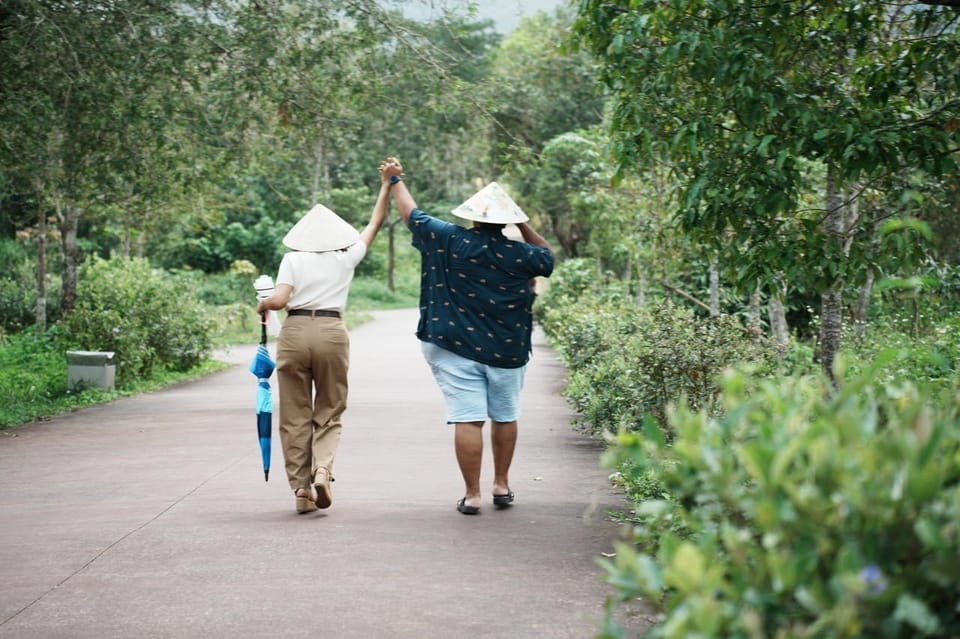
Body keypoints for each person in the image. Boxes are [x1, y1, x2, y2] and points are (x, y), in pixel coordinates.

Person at [380, 157, 554, 515]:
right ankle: (501, 485)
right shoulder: (522, 255)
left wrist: (394, 178)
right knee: (504, 415)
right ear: (507, 220)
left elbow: (411, 213)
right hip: (507, 348)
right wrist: (523, 224)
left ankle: (473, 495)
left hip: (453, 345)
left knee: (467, 417)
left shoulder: (448, 239)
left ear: (473, 216)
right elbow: (547, 257)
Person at [256, 172, 390, 514]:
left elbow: (280, 299)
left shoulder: (292, 259)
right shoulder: (345, 258)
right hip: (331, 331)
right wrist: (386, 185)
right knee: (329, 410)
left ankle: (301, 490)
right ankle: (323, 470)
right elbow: (374, 224)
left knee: (294, 414)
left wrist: (264, 302)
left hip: (295, 332)